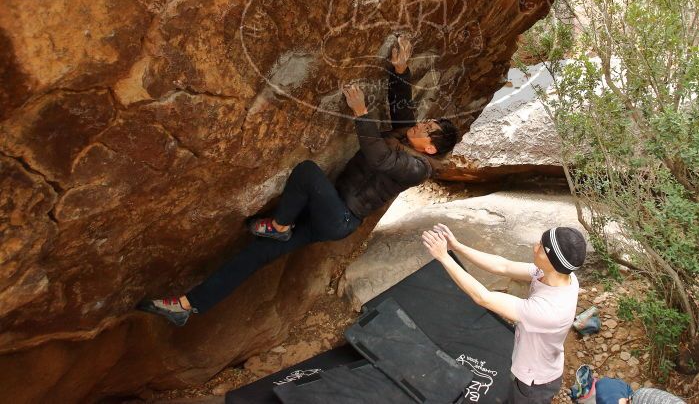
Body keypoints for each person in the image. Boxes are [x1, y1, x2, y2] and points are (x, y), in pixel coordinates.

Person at [137, 34, 459, 326]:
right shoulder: (409, 134)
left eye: (427, 129)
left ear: (429, 147)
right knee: (256, 253)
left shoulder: (419, 169)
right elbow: (402, 105)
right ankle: (187, 304)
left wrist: (361, 113)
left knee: (307, 172)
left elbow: (380, 158)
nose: (422, 124)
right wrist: (400, 68)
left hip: (339, 218)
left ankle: (279, 226)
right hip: (329, 207)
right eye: (426, 122)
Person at [422, 223, 587, 404]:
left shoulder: (549, 310)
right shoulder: (560, 275)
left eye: (541, 247)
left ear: (553, 262)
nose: (534, 247)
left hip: (534, 382)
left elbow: (483, 298)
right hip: (538, 364)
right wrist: (457, 246)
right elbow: (503, 266)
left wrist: (444, 258)